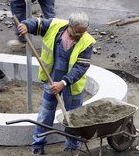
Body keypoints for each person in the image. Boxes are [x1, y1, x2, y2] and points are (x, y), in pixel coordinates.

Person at [17, 12, 96, 155]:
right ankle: (38, 144)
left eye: (83, 32)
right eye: (77, 31)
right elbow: (37, 23)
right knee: (45, 114)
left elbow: (80, 67)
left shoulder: (87, 42)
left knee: (73, 117)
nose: (80, 35)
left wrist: (64, 82)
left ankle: (72, 147)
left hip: (72, 84)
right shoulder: (54, 26)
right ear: (69, 26)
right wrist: (26, 26)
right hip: (52, 79)